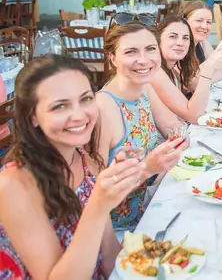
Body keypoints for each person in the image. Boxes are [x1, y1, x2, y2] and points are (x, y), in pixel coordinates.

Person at [0, 55, 144, 279]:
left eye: (86, 99)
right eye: (60, 106)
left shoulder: (84, 157)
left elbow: (108, 255)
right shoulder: (14, 184)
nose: (79, 115)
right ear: (32, 117)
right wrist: (97, 205)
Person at [97, 19, 188, 233]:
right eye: (131, 52)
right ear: (112, 58)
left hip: (151, 207)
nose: (143, 60)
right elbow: (94, 195)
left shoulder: (144, 88)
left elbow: (174, 128)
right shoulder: (102, 110)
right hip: (118, 231)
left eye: (150, 49)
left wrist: (181, 140)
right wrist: (147, 168)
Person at [151, 16, 222, 123]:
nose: (180, 43)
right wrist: (209, 67)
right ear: (158, 39)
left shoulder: (173, 70)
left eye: (185, 38)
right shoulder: (155, 72)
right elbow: (193, 116)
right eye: (173, 36)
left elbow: (194, 87)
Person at [179, 1, 222, 81]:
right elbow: (189, 83)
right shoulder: (179, 46)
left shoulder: (203, 42)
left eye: (208, 22)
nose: (205, 26)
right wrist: (218, 51)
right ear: (185, 21)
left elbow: (221, 74)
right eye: (199, 20)